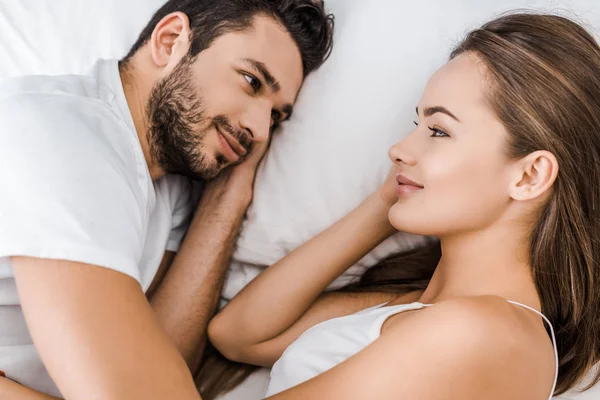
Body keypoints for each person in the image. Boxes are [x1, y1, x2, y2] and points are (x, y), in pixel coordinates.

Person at [209, 12, 600, 399]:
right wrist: (388, 202)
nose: (399, 149)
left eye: (439, 131)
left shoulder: (482, 331)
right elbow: (238, 335)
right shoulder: (419, 308)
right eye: (416, 125)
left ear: (529, 176)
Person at [0, 0, 333, 399]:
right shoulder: (68, 136)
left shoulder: (167, 184)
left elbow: (163, 356)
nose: (260, 130)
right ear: (171, 40)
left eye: (276, 117)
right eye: (250, 81)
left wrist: (228, 196)